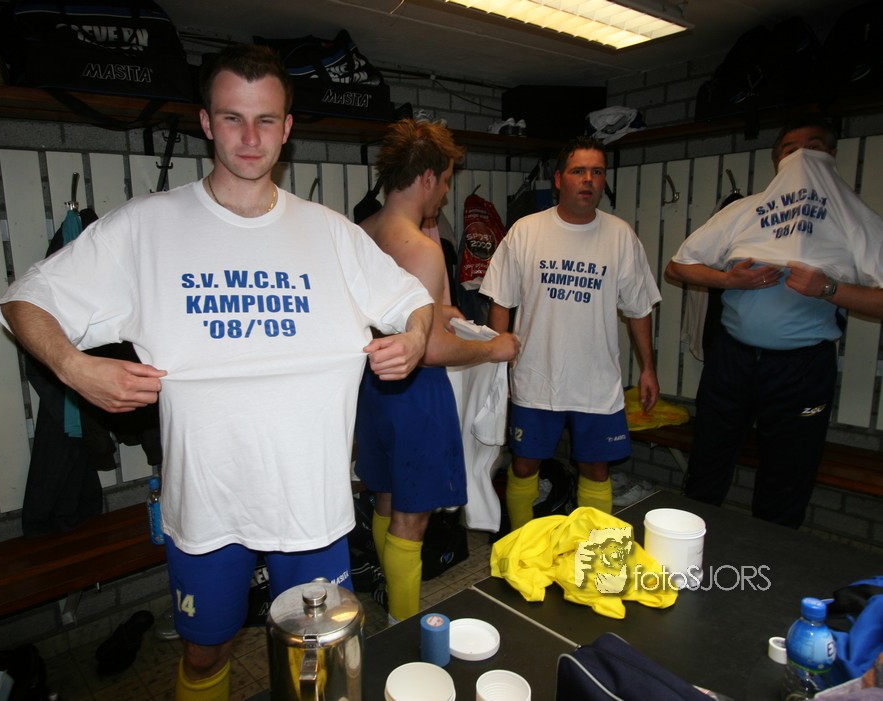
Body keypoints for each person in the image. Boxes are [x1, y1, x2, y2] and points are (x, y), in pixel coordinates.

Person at [0, 44, 433, 701]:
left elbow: (414, 301)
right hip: (206, 506)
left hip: (311, 505)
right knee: (205, 653)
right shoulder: (146, 227)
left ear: (287, 127)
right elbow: (23, 301)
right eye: (232, 118)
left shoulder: (331, 233)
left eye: (265, 120)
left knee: (316, 658)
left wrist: (416, 338)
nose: (249, 137)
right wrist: (74, 367)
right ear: (205, 122)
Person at [665, 114, 883, 528]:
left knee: (788, 474)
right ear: (777, 160)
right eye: (790, 149)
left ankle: (772, 558)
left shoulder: (853, 219)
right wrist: (728, 280)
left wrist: (828, 288)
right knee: (708, 459)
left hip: (801, 367)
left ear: (832, 155)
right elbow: (678, 266)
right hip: (733, 359)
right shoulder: (744, 212)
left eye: (813, 148)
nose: (801, 157)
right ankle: (686, 545)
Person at [355, 119, 519, 622]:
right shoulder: (422, 249)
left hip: (373, 390)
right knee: (412, 521)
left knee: (386, 502)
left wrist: (437, 311)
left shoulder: (361, 233)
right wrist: (494, 349)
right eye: (446, 180)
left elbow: (388, 315)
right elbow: (428, 350)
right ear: (427, 177)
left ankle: (386, 600)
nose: (446, 192)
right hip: (416, 395)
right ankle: (402, 629)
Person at [480, 136, 661, 529]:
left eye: (597, 172)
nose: (589, 180)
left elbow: (639, 308)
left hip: (596, 381)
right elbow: (501, 303)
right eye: (579, 171)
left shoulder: (620, 236)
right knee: (525, 464)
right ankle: (521, 546)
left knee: (597, 469)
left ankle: (600, 558)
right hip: (536, 376)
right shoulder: (526, 231)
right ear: (560, 179)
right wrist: (497, 372)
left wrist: (648, 368)